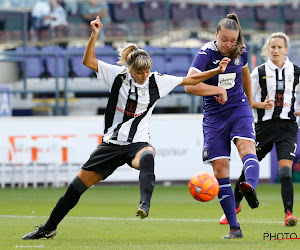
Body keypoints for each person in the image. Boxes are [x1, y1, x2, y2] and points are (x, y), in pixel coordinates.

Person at [22, 16, 230, 240]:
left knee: (148, 155)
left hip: (137, 144)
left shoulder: (157, 81)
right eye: (139, 72)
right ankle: (48, 228)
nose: (144, 76)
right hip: (111, 145)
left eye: (146, 72)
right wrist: (94, 35)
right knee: (75, 189)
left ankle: (145, 204)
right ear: (130, 69)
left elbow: (190, 80)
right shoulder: (117, 76)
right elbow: (88, 61)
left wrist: (216, 71)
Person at [185, 13, 260, 239]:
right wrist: (216, 89)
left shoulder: (241, 51)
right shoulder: (205, 54)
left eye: (233, 40)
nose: (229, 44)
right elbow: (190, 85)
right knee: (220, 171)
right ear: (216, 34)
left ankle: (250, 188)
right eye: (224, 39)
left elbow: (245, 75)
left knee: (247, 148)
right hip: (215, 117)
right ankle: (234, 228)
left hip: (239, 109)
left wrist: (250, 102)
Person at [220, 32, 299, 227]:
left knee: (285, 170)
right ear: (267, 49)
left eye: (280, 47)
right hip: (263, 126)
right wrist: (260, 105)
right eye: (272, 47)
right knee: (249, 166)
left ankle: (289, 213)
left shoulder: (296, 72)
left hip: (288, 126)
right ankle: (236, 205)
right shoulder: (259, 72)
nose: (276, 50)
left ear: (286, 50)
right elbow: (245, 99)